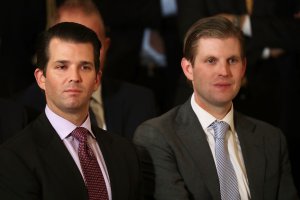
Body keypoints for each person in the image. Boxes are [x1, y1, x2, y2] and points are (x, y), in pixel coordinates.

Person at [133, 16, 299, 200]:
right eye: (211, 60)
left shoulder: (271, 139)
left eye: (232, 60)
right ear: (188, 68)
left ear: (243, 67)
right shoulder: (157, 137)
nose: (224, 72)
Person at [0, 22, 140, 200]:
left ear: (97, 79)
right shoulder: (14, 157)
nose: (74, 77)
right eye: (61, 67)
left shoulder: (126, 152)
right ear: (41, 78)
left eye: (85, 67)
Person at [15, 0, 157, 139]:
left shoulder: (140, 102)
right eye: (67, 41)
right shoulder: (22, 109)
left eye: (90, 44)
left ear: (106, 46)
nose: (78, 52)